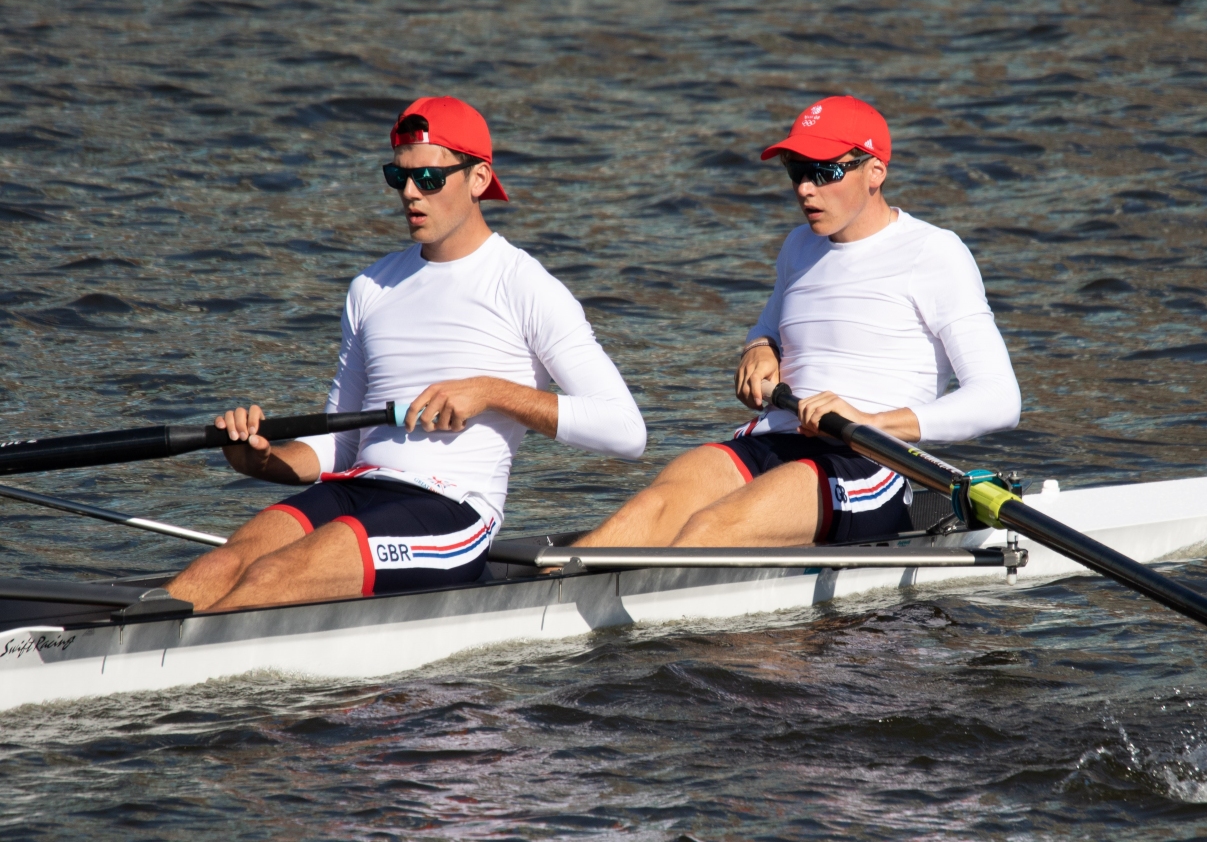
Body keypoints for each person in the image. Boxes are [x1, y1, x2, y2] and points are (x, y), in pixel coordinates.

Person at [168, 96, 645, 610]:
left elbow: (625, 430)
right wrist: (261, 461)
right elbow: (340, 446)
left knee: (270, 579)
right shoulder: (370, 287)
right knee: (214, 571)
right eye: (399, 178)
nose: (411, 194)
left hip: (449, 510)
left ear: (479, 178)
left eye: (430, 179)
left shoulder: (524, 284)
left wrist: (490, 392)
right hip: (358, 489)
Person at [577, 95, 1018, 549]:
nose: (806, 188)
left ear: (875, 171)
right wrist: (758, 347)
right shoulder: (799, 247)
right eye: (796, 170)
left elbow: (999, 399)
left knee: (709, 531)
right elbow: (769, 327)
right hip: (776, 439)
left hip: (867, 460)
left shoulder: (935, 253)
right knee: (642, 517)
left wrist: (870, 421)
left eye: (824, 172)